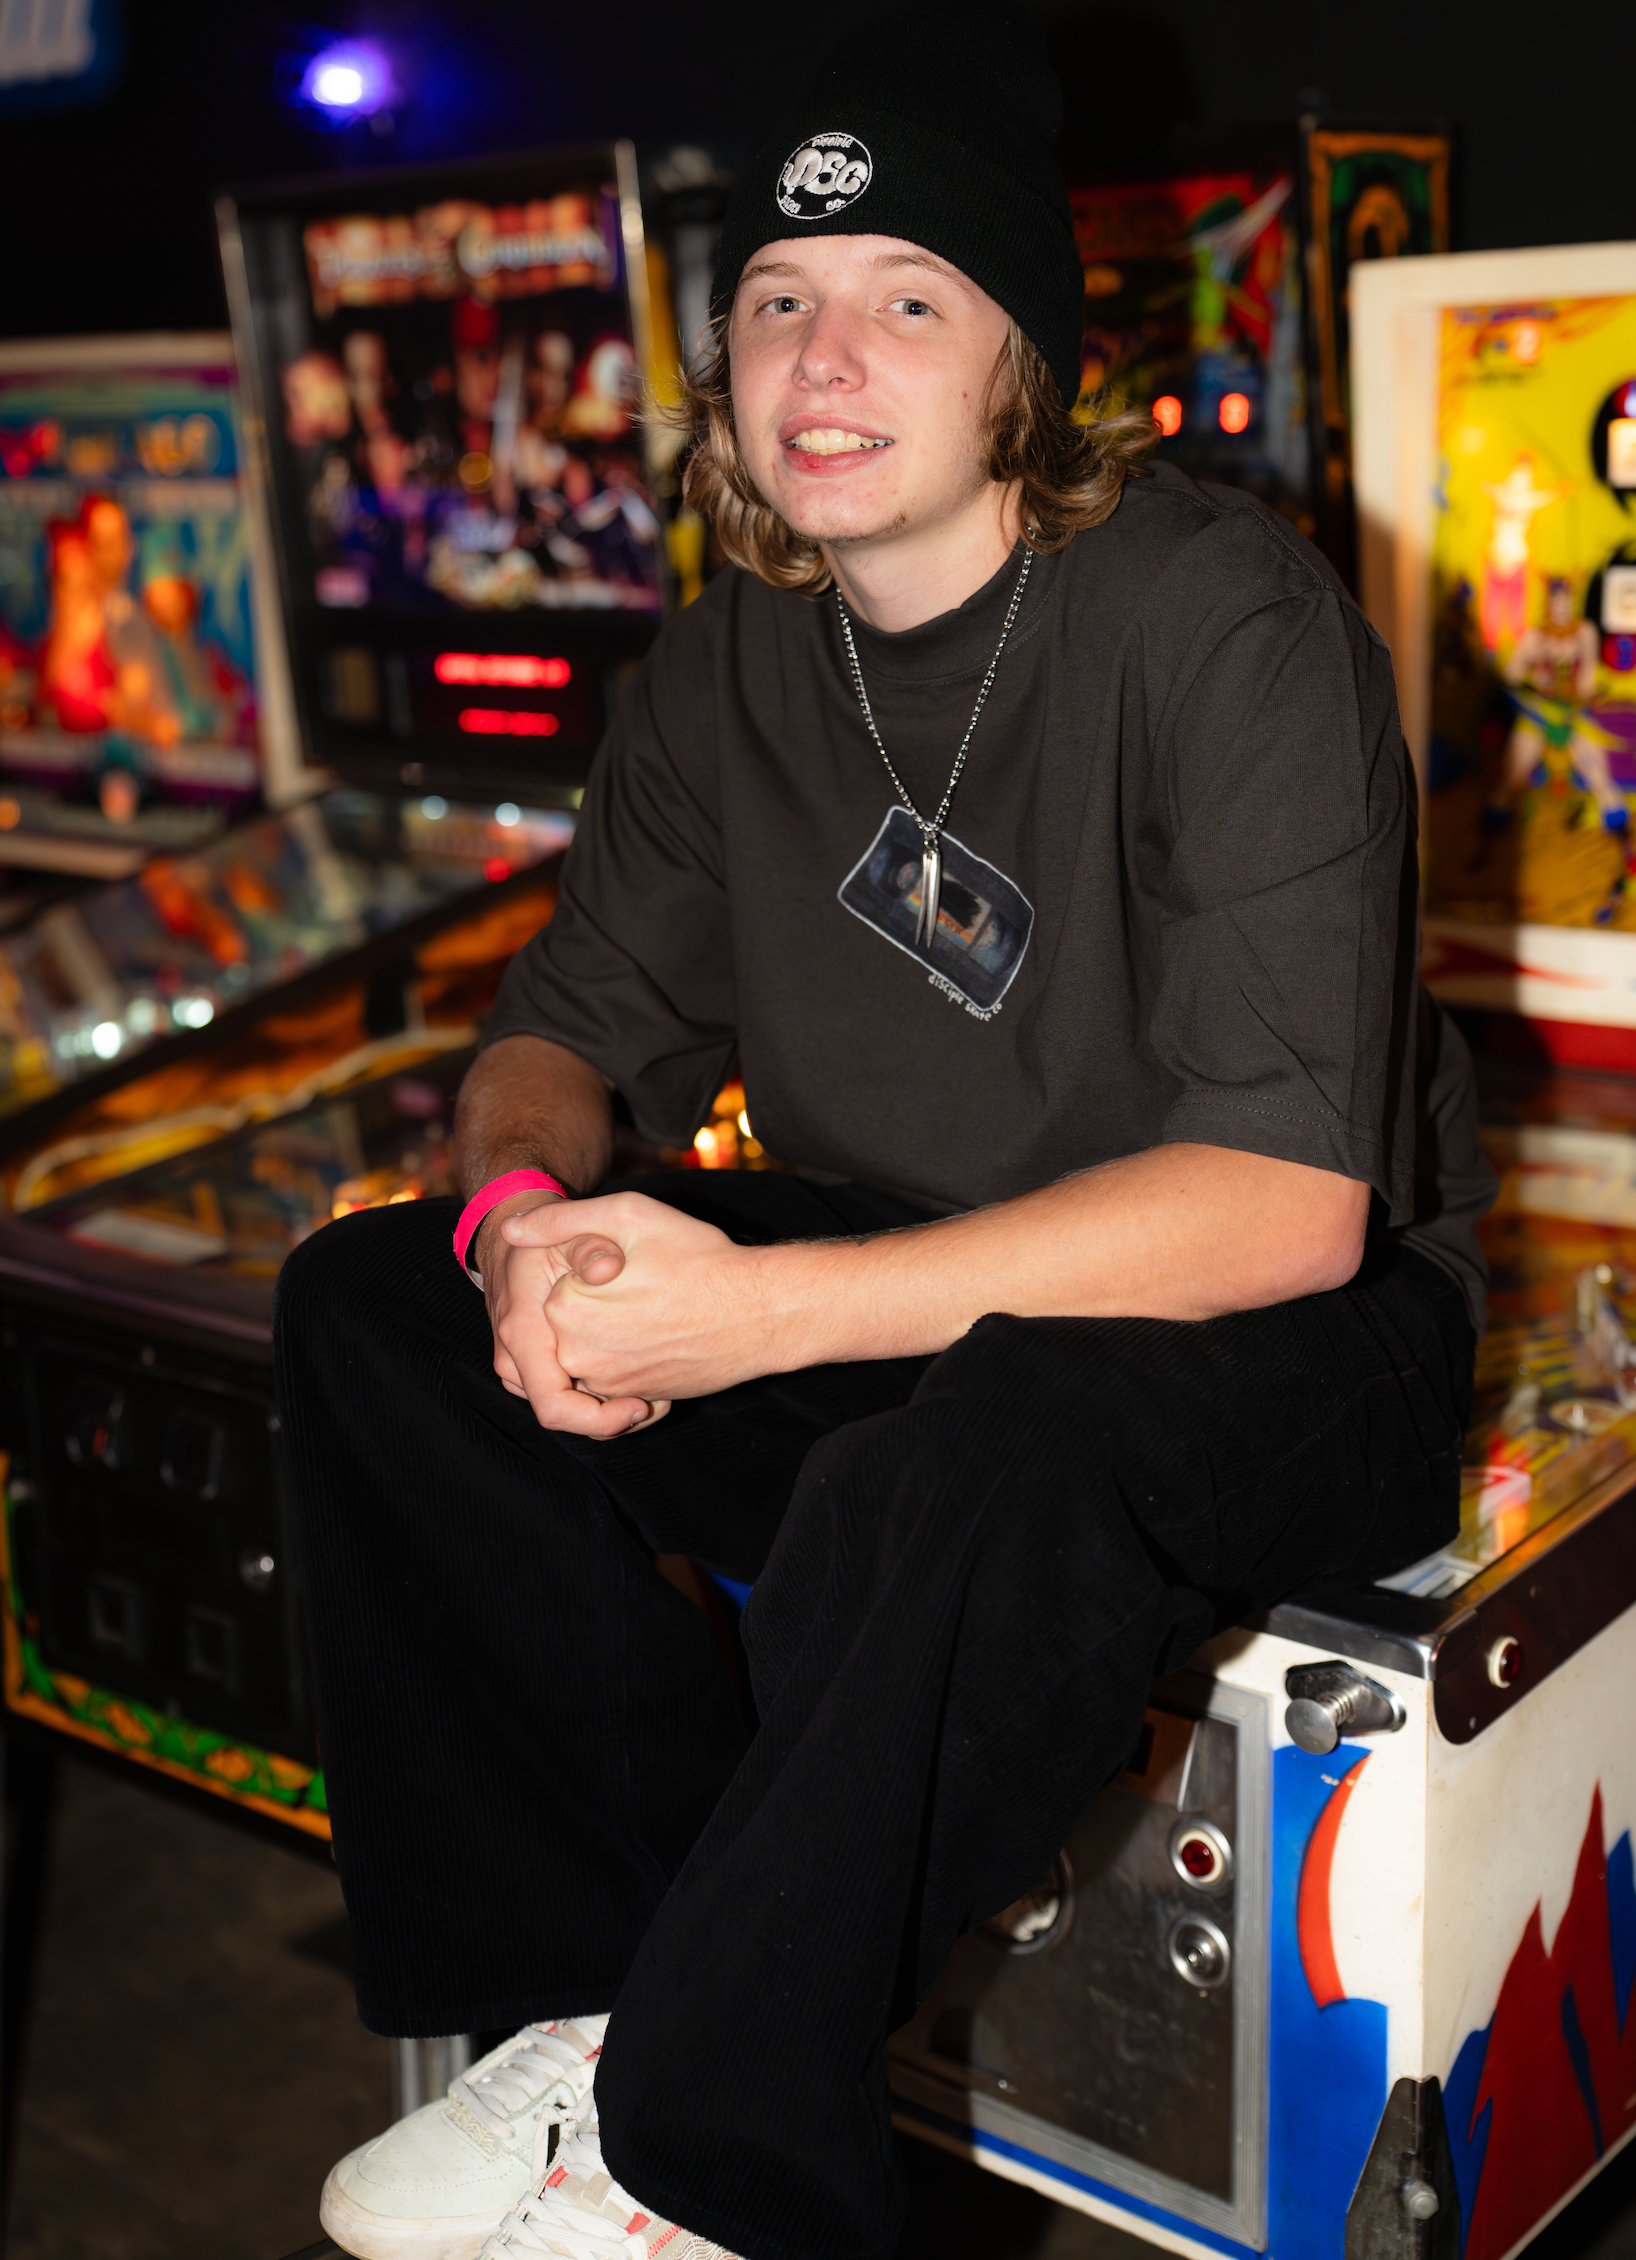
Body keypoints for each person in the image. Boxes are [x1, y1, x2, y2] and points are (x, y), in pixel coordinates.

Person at [275, 12, 1494, 2260]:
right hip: (917, 1283)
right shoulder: (726, 660)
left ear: (1025, 358)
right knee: (375, 1296)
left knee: (970, 1445)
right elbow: (556, 1038)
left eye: (906, 299)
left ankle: (708, 2159)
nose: (823, 358)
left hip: (1286, 1337)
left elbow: (1284, 1209)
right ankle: (609, 2000)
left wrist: (760, 1310)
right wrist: (523, 1221)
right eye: (776, 299)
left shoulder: (1225, 621)